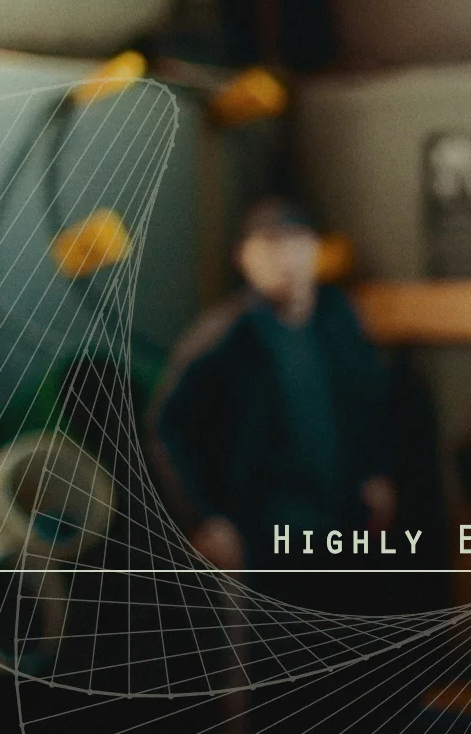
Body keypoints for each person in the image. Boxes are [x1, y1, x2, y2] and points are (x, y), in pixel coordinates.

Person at [150, 197, 395, 590]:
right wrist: (204, 517)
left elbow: (372, 400)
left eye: (293, 242)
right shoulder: (227, 334)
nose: (283, 258)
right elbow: (168, 426)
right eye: (267, 245)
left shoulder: (339, 319)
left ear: (315, 249)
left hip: (343, 524)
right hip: (264, 535)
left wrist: (375, 471)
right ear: (243, 258)